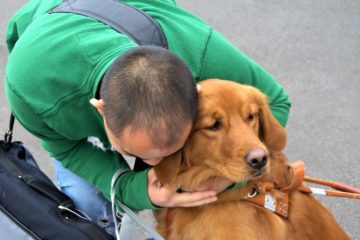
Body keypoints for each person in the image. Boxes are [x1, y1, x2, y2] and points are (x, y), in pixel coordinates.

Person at [5, 0, 291, 237]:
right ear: (102, 110)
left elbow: (275, 99)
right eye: (143, 155)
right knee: (88, 207)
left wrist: (222, 182)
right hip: (52, 61)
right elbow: (67, 148)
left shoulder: (199, 51)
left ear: (195, 89)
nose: (162, 168)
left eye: (174, 149)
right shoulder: (34, 95)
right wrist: (133, 189)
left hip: (138, 21)